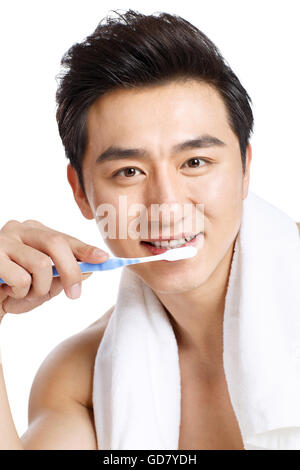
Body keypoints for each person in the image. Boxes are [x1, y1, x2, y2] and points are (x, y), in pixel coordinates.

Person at [0, 9, 299, 450]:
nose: (167, 205)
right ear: (80, 192)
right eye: (128, 171)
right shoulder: (80, 379)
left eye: (195, 163)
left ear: (245, 169)